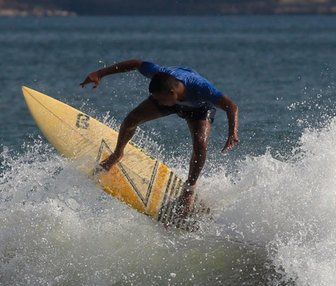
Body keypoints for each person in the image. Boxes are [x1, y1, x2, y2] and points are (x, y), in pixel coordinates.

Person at [80, 59, 238, 211]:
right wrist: (100, 73)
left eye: (160, 99)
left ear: (171, 92)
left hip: (200, 108)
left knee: (200, 145)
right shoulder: (160, 75)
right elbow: (136, 63)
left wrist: (232, 133)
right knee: (130, 120)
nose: (158, 102)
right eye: (157, 98)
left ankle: (189, 189)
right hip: (173, 101)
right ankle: (117, 154)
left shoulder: (202, 88)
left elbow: (232, 106)